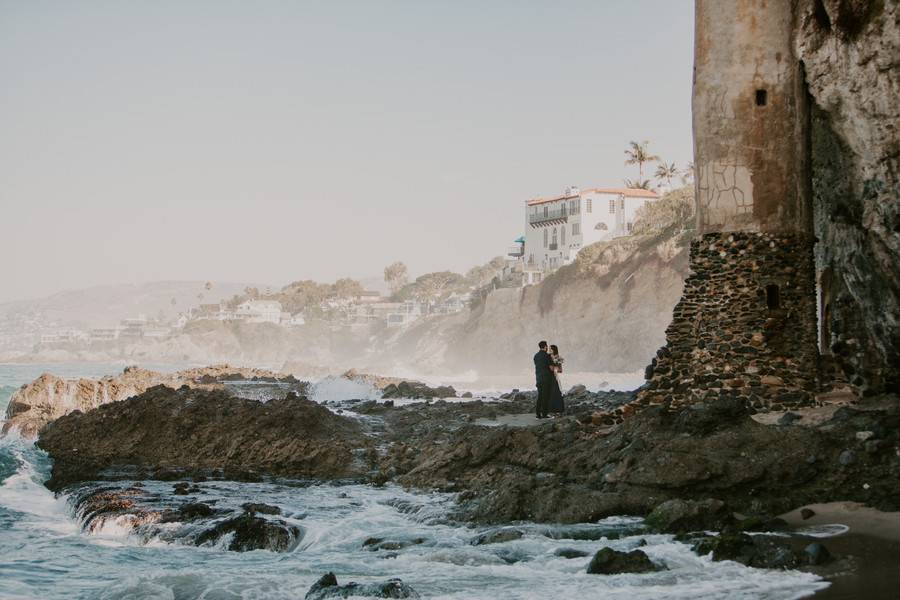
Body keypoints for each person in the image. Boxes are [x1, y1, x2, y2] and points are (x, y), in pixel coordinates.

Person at [533, 340, 553, 419]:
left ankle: (538, 414)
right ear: (545, 347)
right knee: (546, 397)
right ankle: (544, 414)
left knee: (540, 396)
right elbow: (551, 368)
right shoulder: (547, 356)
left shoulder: (536, 356)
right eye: (547, 346)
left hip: (538, 378)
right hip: (546, 378)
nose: (547, 348)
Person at [548, 344, 565, 417]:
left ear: (554, 350)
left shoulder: (558, 358)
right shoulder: (548, 357)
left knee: (556, 392)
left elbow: (561, 370)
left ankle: (558, 410)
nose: (549, 350)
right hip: (548, 376)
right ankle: (550, 410)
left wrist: (555, 369)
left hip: (554, 377)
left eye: (550, 349)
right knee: (549, 393)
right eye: (549, 349)